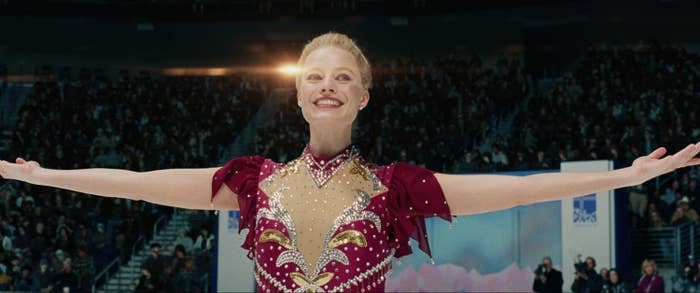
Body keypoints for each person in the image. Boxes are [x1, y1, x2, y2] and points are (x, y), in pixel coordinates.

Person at [1, 32, 700, 292]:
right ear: (298, 93)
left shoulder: (396, 189)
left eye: (342, 76)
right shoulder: (254, 184)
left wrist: (625, 177)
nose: (327, 84)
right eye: (313, 75)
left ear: (363, 94)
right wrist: (48, 175)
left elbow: (514, 190)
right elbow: (144, 187)